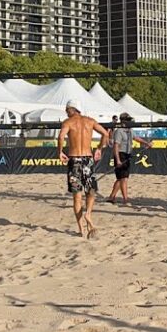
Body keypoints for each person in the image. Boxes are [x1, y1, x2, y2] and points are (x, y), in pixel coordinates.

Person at [58, 99, 110, 238]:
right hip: (88, 159)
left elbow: (61, 136)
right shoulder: (90, 121)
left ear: (73, 109)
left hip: (74, 159)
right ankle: (88, 215)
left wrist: (60, 151)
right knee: (90, 191)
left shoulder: (68, 122)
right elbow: (106, 134)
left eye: (67, 109)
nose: (66, 111)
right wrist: (99, 149)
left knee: (77, 195)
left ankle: (81, 229)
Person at [107, 113, 152, 205]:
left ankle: (112, 196)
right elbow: (116, 146)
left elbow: (136, 138)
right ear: (123, 121)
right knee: (124, 178)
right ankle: (125, 199)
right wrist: (118, 159)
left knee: (121, 178)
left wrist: (146, 143)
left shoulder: (130, 130)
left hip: (127, 154)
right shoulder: (119, 131)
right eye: (128, 120)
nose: (130, 122)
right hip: (120, 154)